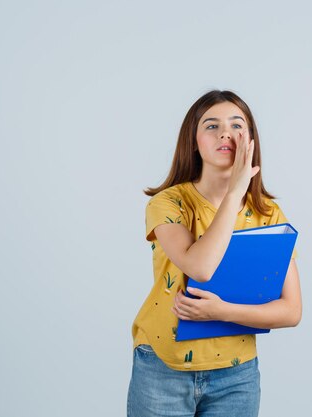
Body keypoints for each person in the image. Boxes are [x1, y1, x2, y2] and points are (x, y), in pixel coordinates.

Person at [127, 89, 302, 417]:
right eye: (211, 126)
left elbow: (291, 311)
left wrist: (221, 311)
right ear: (193, 142)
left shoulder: (269, 214)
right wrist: (236, 190)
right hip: (163, 367)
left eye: (237, 125)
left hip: (237, 376)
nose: (225, 132)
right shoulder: (167, 203)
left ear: (250, 141)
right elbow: (201, 268)